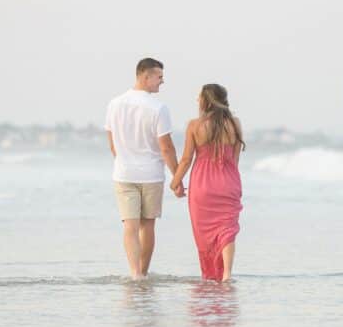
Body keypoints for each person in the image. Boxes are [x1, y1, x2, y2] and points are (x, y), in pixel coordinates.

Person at [105, 58, 181, 279]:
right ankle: (144, 273)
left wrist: (125, 161)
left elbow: (112, 144)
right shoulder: (158, 108)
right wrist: (177, 177)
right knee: (147, 225)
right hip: (151, 175)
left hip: (123, 173)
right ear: (145, 77)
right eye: (159, 77)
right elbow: (166, 147)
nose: (162, 81)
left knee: (129, 225)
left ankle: (135, 273)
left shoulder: (114, 103)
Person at [170, 84, 245, 282]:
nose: (197, 100)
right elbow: (235, 160)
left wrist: (175, 182)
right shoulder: (235, 124)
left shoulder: (195, 125)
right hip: (229, 182)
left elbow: (186, 159)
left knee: (204, 235)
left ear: (206, 100)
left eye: (199, 97)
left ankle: (211, 275)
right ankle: (227, 274)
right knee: (227, 229)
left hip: (202, 186)